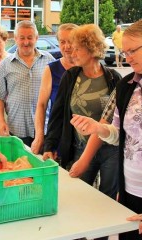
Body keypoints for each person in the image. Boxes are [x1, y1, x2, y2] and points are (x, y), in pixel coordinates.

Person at [70, 20, 142, 240]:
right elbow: (118, 135)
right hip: (130, 191)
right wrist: (99, 128)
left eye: (132, 51)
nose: (127, 57)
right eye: (124, 51)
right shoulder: (127, 85)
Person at [43, 24, 121, 205]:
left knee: (107, 201)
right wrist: (49, 146)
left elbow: (115, 119)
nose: (72, 53)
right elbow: (57, 115)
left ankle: (102, 234)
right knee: (78, 198)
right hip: (80, 147)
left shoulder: (113, 78)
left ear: (92, 48)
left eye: (78, 49)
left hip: (110, 150)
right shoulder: (70, 77)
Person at [0, 20, 55, 147]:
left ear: (36, 38)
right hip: (16, 128)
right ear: (15, 39)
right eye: (22, 38)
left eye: (30, 38)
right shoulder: (5, 64)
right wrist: (1, 122)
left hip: (44, 129)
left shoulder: (49, 61)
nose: (26, 42)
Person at [31, 23, 78, 155]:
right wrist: (40, 136)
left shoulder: (86, 68)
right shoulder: (52, 69)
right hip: (59, 137)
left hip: (83, 139)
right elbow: (41, 105)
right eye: (62, 41)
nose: (67, 46)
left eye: (71, 41)